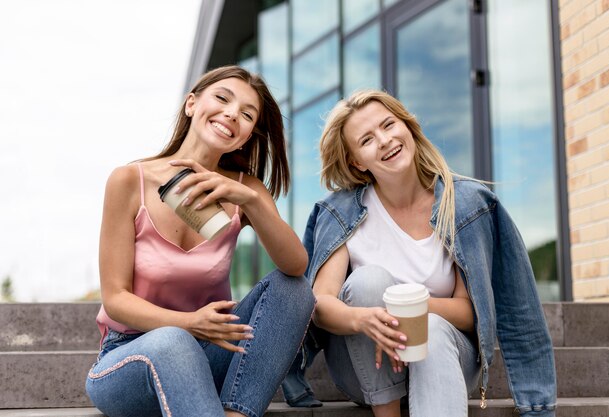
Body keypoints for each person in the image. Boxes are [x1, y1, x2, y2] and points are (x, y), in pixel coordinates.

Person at [283, 89, 556, 416]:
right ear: (356, 161)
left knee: (434, 327)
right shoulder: (341, 213)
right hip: (364, 369)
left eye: (388, 125)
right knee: (369, 282)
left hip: (446, 359)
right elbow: (320, 304)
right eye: (367, 140)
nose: (384, 140)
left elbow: (472, 313)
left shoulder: (464, 204)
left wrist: (408, 308)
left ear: (407, 127)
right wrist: (364, 319)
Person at [85, 65, 315, 417]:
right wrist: (188, 323)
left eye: (247, 114)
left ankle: (237, 413)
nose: (231, 114)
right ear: (192, 104)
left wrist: (250, 200)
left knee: (294, 288)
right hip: (131, 356)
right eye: (222, 98)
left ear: (247, 134)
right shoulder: (130, 180)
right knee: (173, 340)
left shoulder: (246, 189)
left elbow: (296, 265)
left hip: (212, 352)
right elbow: (115, 299)